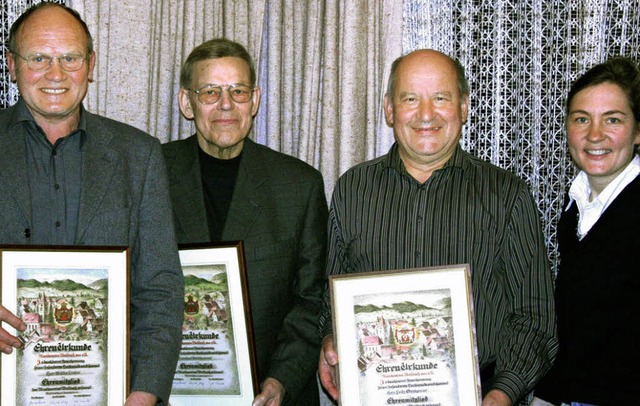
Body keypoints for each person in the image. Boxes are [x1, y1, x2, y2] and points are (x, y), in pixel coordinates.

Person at [317, 49, 558, 406]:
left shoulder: (507, 195)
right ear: (389, 109)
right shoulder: (353, 189)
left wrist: (503, 393)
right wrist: (329, 339)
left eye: (441, 98)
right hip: (375, 392)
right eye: (410, 98)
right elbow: (330, 296)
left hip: (479, 396)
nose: (426, 114)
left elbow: (534, 315)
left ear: (463, 107)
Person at [0, 3, 184, 405]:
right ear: (12, 65)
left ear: (91, 64)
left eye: (70, 58)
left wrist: (145, 394)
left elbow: (161, 291)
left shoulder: (139, 156)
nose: (56, 74)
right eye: (39, 58)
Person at [162, 38, 328, 406]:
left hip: (269, 392)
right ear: (186, 103)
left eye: (237, 91)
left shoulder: (298, 185)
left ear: (254, 100)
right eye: (210, 92)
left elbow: (312, 300)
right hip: (172, 391)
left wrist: (280, 379)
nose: (226, 104)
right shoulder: (151, 175)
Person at [531, 58, 640, 406]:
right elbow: (578, 323)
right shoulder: (577, 204)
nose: (595, 135)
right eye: (582, 119)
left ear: (638, 131)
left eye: (613, 119)